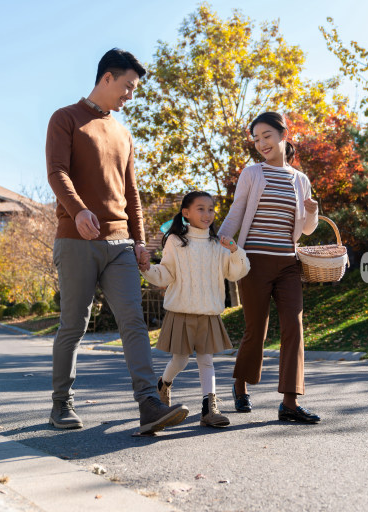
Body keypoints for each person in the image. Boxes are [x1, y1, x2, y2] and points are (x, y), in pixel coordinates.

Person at [45, 48, 189, 434]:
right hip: (76, 240)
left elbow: (132, 193)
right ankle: (61, 405)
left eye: (134, 89)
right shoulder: (66, 119)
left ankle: (149, 403)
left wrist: (140, 241)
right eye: (127, 86)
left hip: (121, 244)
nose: (130, 95)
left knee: (134, 323)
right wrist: (77, 210)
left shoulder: (123, 133)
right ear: (107, 78)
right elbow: (57, 172)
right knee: (74, 325)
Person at [218, 111, 321, 424]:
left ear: (283, 135)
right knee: (256, 329)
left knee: (294, 326)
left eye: (267, 136)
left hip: (288, 263)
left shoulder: (300, 180)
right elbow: (237, 213)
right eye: (256, 138)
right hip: (254, 263)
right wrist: (218, 239)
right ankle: (240, 383)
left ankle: (290, 401)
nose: (261, 143)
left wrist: (313, 213)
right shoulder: (252, 173)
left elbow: (306, 230)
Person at [140, 192, 250, 427]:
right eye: (200, 209)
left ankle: (209, 409)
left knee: (206, 361)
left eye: (211, 209)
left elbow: (236, 272)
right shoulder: (176, 242)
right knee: (179, 361)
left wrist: (234, 251)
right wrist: (147, 269)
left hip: (209, 312)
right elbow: (166, 273)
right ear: (186, 213)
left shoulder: (218, 244)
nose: (207, 214)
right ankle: (164, 384)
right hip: (181, 310)